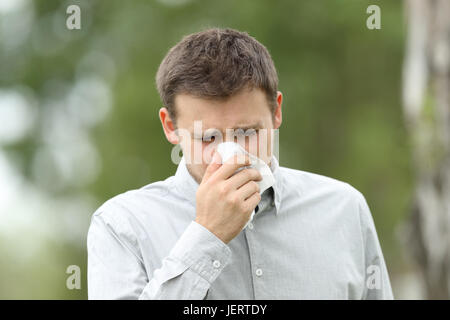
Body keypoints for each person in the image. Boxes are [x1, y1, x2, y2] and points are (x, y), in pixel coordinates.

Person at [87, 27, 394, 299]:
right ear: (171, 127)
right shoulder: (121, 226)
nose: (231, 155)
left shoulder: (344, 209)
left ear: (276, 112)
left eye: (247, 133)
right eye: (208, 138)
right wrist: (206, 236)